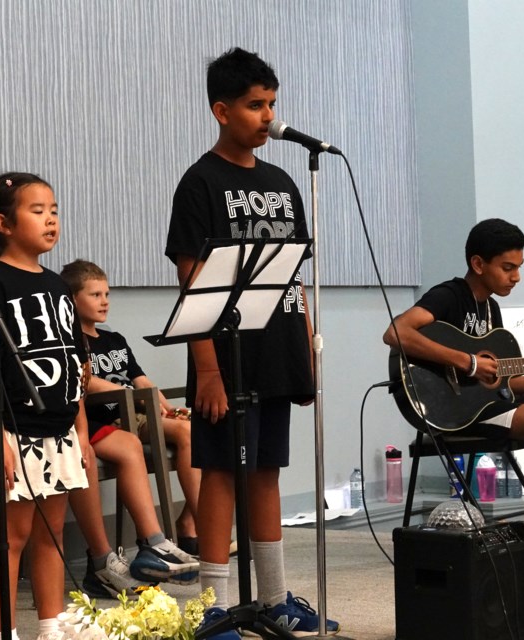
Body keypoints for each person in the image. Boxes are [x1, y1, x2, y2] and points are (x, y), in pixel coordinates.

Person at [164, 47, 338, 637]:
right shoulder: (200, 182)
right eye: (254, 105)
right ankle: (211, 605)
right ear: (221, 110)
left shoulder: (284, 181)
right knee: (220, 474)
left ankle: (271, 597)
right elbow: (191, 281)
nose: (267, 116)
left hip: (279, 348)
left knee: (266, 472)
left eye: (272, 104)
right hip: (227, 355)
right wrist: (207, 371)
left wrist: (307, 350)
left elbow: (295, 276)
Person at [382, 218, 524, 560]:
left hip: (492, 403)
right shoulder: (449, 296)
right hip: (457, 411)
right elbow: (396, 333)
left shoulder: (490, 309)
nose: (516, 277)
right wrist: (467, 362)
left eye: (519, 268)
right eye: (508, 268)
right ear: (478, 264)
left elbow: (506, 382)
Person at [0, 172, 89, 640]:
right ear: (3, 223)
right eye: (37, 211)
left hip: (60, 429)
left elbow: (77, 366)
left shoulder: (58, 286)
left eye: (54, 210)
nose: (51, 219)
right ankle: (4, 633)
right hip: (12, 430)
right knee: (10, 539)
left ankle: (51, 627)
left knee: (52, 536)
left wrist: (83, 434)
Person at [59, 259, 201, 596]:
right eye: (95, 294)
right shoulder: (73, 340)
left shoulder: (115, 339)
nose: (105, 300)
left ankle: (198, 525)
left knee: (192, 430)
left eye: (106, 293)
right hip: (104, 418)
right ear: (72, 300)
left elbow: (141, 380)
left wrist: (164, 406)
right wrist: (129, 394)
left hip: (135, 413)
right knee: (130, 443)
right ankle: (153, 541)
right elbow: (85, 381)